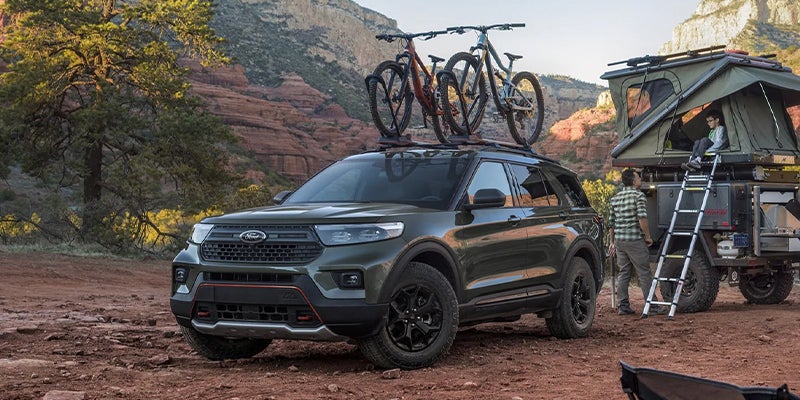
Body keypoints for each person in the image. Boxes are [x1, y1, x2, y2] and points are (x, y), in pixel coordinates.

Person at [608, 169, 667, 315]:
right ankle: (652, 306)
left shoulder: (615, 198)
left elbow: (611, 223)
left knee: (624, 273)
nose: (640, 179)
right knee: (644, 273)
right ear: (634, 181)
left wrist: (612, 242)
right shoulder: (638, 196)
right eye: (638, 177)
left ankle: (623, 306)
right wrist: (648, 236)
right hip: (634, 240)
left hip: (620, 241)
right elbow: (642, 218)